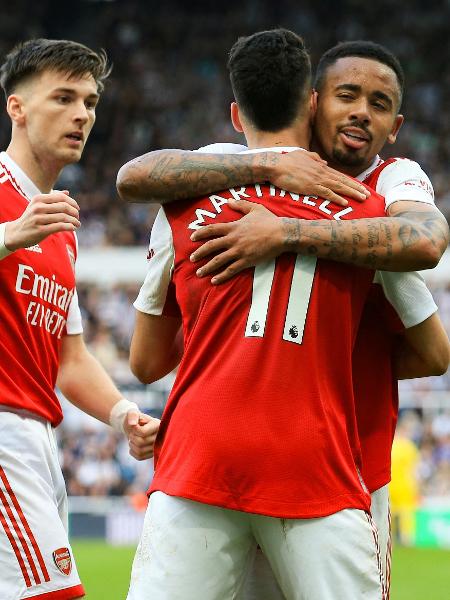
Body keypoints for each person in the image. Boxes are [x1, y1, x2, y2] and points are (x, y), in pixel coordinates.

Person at [117, 39, 449, 599]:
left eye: (379, 102)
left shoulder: (387, 186)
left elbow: (147, 358)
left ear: (397, 125)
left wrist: (285, 234)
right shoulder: (368, 214)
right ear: (312, 103)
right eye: (348, 95)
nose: (361, 111)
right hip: (320, 466)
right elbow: (433, 351)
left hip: (281, 459)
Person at [0, 39, 159, 600]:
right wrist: (8, 236)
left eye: (89, 102)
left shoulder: (61, 225)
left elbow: (68, 358)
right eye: (63, 98)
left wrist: (122, 416)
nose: (82, 115)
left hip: (41, 439)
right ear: (16, 108)